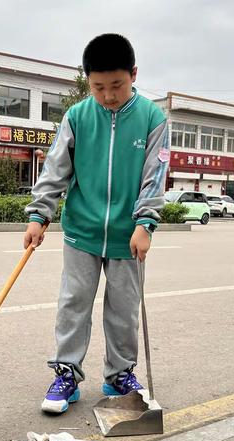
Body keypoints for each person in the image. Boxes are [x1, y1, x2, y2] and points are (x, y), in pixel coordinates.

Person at [24, 33, 170, 414]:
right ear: (88, 81)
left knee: (124, 309)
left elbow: (155, 176)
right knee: (73, 302)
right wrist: (40, 214)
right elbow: (56, 168)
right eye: (98, 87)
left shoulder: (153, 119)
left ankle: (119, 375)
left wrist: (146, 223)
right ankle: (67, 373)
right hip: (81, 231)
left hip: (129, 234)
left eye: (117, 85)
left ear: (134, 74)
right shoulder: (77, 116)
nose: (108, 95)